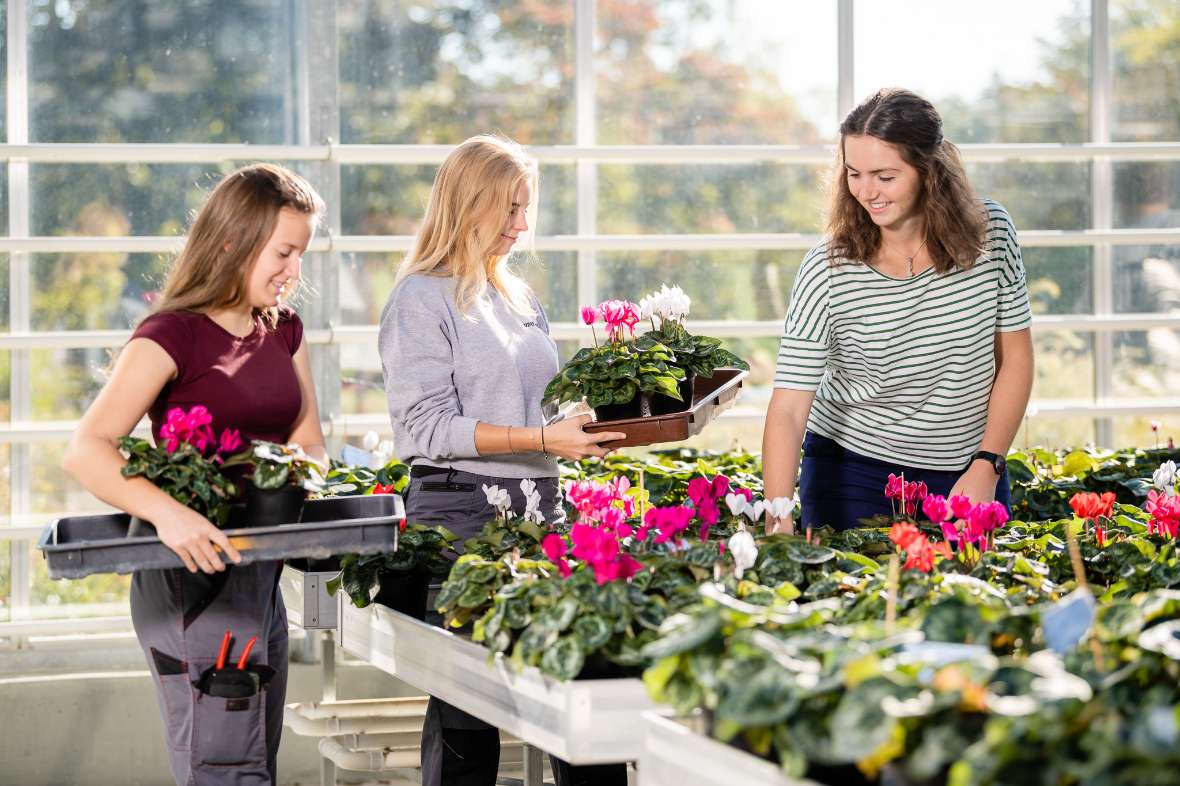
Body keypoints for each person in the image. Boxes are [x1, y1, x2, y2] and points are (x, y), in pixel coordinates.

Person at [62, 163, 327, 785]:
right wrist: (169, 513)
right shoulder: (172, 335)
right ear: (233, 241)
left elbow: (308, 440)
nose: (294, 272)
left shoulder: (283, 331)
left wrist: (303, 480)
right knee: (223, 767)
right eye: (284, 252)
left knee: (254, 756)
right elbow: (87, 448)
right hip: (192, 580)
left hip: (261, 573)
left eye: (301, 255)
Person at [379, 134, 627, 786]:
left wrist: (584, 425)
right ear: (468, 204)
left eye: (528, 208)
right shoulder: (419, 299)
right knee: (469, 708)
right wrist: (543, 440)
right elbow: (426, 428)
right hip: (461, 511)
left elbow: (531, 410)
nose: (524, 225)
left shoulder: (516, 296)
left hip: (543, 507)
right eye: (510, 208)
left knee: (577, 697)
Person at [762, 88, 1035, 533]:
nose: (867, 192)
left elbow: (1016, 360)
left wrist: (988, 461)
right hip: (853, 471)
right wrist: (777, 514)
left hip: (970, 469)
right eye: (853, 174)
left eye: (885, 176)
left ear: (930, 171)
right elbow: (790, 406)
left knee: (971, 600)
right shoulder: (829, 268)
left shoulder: (993, 235)